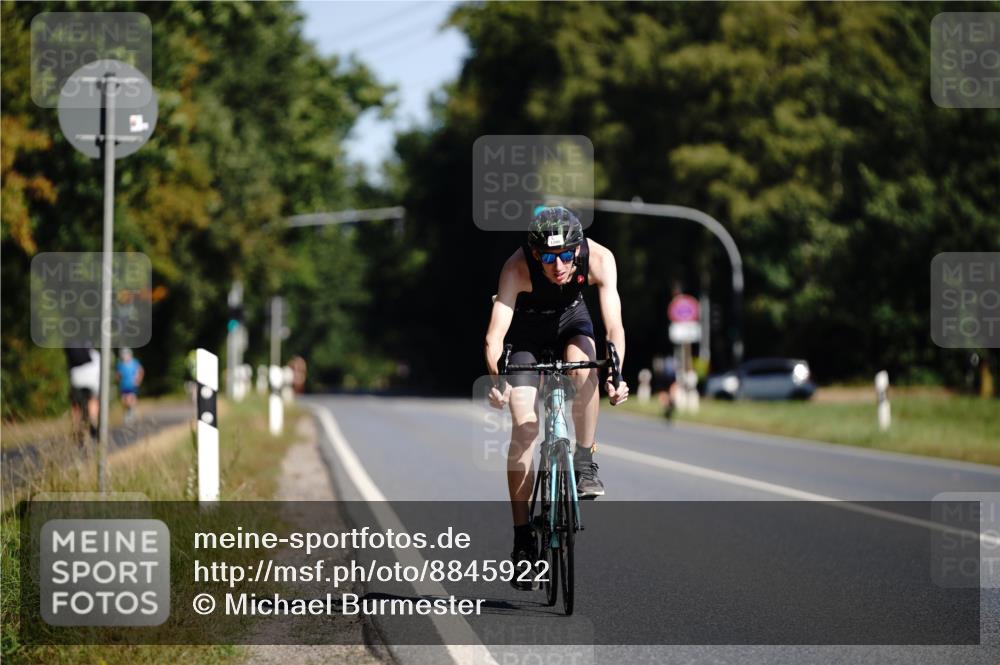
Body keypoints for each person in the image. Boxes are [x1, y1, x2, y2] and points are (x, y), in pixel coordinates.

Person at [484, 206, 629, 588]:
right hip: (527, 334)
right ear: (535, 254)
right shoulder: (516, 267)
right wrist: (499, 379)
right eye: (548, 257)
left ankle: (584, 461)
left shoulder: (599, 258)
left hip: (571, 320)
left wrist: (615, 374)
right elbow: (495, 335)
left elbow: (613, 325)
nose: (559, 264)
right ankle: (522, 542)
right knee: (525, 426)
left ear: (578, 249)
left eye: (566, 255)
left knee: (585, 369)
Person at [65, 346, 100, 445]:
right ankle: (93, 423)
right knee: (92, 400)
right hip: (91, 382)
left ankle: (77, 429)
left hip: (76, 380)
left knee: (76, 405)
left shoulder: (72, 349)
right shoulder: (95, 354)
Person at [116, 347, 144, 424]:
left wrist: (138, 380)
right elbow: (118, 374)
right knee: (124, 401)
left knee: (130, 399)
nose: (125, 356)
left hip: (132, 385)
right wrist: (118, 380)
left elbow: (141, 371)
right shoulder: (120, 364)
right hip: (123, 385)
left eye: (126, 354)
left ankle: (131, 413)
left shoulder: (134, 362)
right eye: (123, 354)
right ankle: (129, 411)